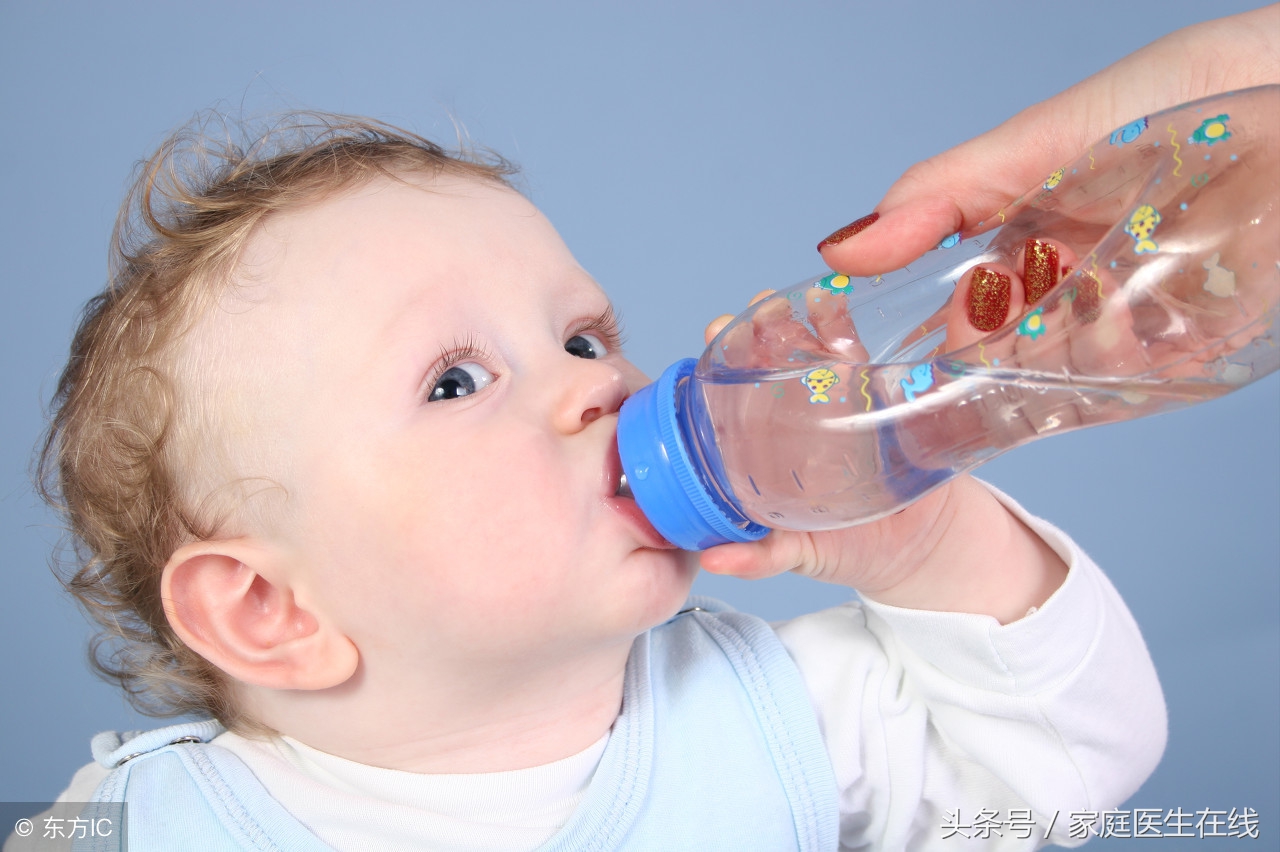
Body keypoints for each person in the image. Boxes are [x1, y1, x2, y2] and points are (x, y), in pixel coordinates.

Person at [36, 9, 1277, 846]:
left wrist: (916, 526)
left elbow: (1072, 767)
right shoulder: (145, 823)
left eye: (582, 338)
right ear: (271, 612)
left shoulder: (779, 716)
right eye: (456, 382)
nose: (597, 385)